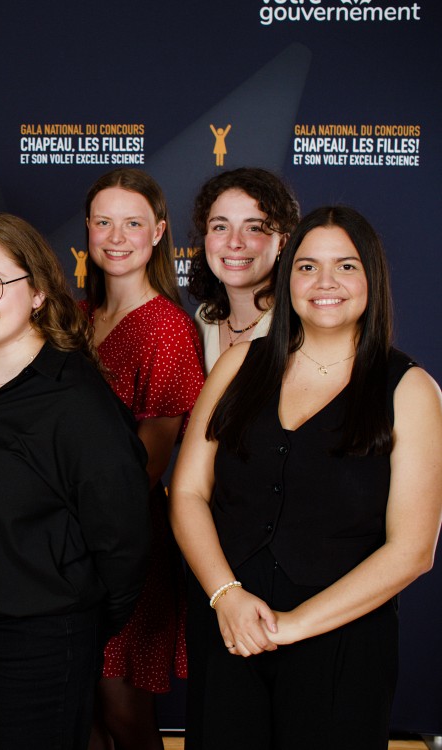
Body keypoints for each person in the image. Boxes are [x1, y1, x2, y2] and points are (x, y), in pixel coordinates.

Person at [169, 206, 442, 750]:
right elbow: (189, 492)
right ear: (287, 276)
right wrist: (226, 596)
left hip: (343, 644)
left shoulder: (409, 390)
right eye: (307, 266)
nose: (325, 283)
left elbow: (413, 549)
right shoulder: (238, 366)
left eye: (345, 266)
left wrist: (292, 626)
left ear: (372, 280)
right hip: (230, 629)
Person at [0, 213, 151, 749]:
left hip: (35, 640)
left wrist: (69, 626)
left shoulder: (79, 405)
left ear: (37, 291)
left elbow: (123, 543)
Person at [80, 168, 204, 750]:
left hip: (123, 542)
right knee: (85, 713)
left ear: (158, 232)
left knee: (124, 712)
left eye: (132, 223)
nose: (115, 236)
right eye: (103, 222)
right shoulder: (77, 317)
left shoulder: (168, 328)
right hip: (66, 544)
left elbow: (149, 462)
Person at [188, 168, 300, 373]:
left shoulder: (296, 327)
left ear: (282, 242)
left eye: (254, 228)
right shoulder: (204, 318)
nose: (234, 242)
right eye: (220, 227)